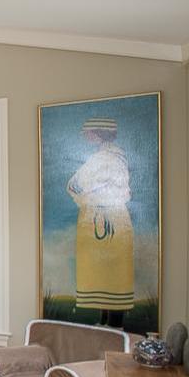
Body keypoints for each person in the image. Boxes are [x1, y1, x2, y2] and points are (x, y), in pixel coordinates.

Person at [67, 116, 133, 328]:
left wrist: (89, 194)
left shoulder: (110, 158)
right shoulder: (99, 157)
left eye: (88, 133)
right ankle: (106, 319)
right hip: (98, 218)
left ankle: (115, 322)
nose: (86, 137)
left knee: (112, 270)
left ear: (97, 133)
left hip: (110, 220)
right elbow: (74, 184)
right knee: (101, 270)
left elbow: (81, 183)